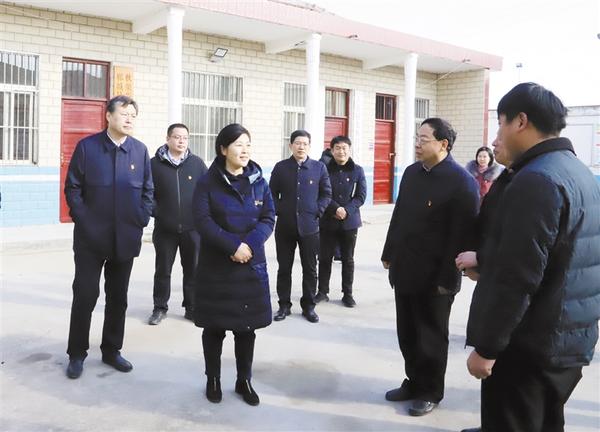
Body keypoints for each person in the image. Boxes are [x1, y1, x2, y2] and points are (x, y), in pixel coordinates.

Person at [464, 83, 600, 432]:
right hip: (567, 338)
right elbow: (559, 254)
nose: (497, 135)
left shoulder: (536, 180)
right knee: (544, 421)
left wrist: (488, 348)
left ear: (520, 122)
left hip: (529, 345)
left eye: (501, 124)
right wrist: (487, 262)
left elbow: (518, 278)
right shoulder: (578, 172)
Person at [381, 118, 479, 416]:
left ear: (443, 144)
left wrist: (450, 277)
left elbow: (465, 235)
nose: (417, 143)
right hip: (405, 268)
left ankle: (430, 391)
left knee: (431, 337)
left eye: (424, 139)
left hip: (437, 276)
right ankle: (413, 382)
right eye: (417, 138)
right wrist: (389, 252)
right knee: (408, 333)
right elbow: (399, 216)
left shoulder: (461, 182)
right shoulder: (412, 173)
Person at [64, 95, 154, 379]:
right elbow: (73, 188)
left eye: (133, 115)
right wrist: (85, 221)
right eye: (124, 114)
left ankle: (112, 350)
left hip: (125, 237)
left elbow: (148, 190)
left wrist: (141, 218)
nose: (129, 119)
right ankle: (77, 353)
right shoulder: (88, 147)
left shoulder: (139, 151)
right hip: (90, 239)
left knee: (118, 297)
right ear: (109, 116)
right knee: (85, 294)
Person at [192, 123, 275, 406]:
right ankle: (213, 379)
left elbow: (268, 218)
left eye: (248, 144)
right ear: (223, 149)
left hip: (250, 266)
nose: (245, 150)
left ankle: (244, 380)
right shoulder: (207, 182)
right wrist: (232, 246)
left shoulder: (259, 181)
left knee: (246, 329)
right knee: (214, 328)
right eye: (239, 144)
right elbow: (202, 220)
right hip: (217, 267)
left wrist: (248, 246)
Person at [147, 123, 208, 325]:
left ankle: (192, 307)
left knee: (193, 270)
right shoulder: (154, 164)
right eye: (177, 137)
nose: (181, 141)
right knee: (163, 270)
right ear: (168, 139)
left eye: (185, 138)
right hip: (165, 228)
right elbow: (146, 192)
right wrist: (158, 212)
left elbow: (207, 191)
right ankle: (159, 308)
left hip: (192, 229)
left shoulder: (197, 164)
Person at [269, 130, 332, 323]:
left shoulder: (319, 168)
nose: (301, 147)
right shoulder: (281, 167)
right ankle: (284, 305)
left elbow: (326, 194)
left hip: (310, 227)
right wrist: (280, 210)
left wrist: (317, 211)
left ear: (309, 146)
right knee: (284, 268)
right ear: (290, 145)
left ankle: (308, 306)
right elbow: (271, 194)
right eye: (297, 143)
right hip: (285, 227)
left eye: (305, 143)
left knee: (310, 269)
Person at [316, 136, 367, 307]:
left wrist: (346, 210)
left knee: (348, 259)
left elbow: (360, 196)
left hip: (349, 222)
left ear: (349, 150)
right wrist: (335, 209)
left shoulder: (358, 170)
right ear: (332, 150)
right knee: (324, 258)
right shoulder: (323, 169)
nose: (341, 151)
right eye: (337, 148)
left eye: (344, 148)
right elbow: (320, 192)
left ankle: (348, 293)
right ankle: (322, 292)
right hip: (328, 220)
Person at [455, 137, 513, 281]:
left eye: (484, 156)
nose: (481, 159)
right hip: (473, 209)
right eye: (479, 156)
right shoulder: (469, 172)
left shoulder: (500, 175)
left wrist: (481, 258)